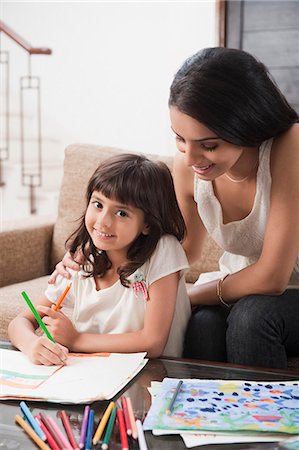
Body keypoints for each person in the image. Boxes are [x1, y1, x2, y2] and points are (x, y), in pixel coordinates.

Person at [49, 47, 299, 370]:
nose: (191, 158)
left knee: (251, 320)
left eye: (209, 145)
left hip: (279, 292)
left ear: (247, 125)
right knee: (203, 325)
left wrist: (192, 295)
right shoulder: (188, 167)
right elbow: (184, 250)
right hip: (241, 288)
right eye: (180, 139)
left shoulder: (290, 145)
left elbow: (272, 277)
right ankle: (193, 419)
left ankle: (264, 421)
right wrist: (94, 253)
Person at [8, 153, 191, 365]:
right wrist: (32, 345)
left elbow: (153, 342)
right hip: (91, 377)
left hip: (149, 377)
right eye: (98, 204)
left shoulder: (163, 250)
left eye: (121, 213)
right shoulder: (80, 263)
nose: (103, 222)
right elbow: (20, 322)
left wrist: (76, 340)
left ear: (147, 224)